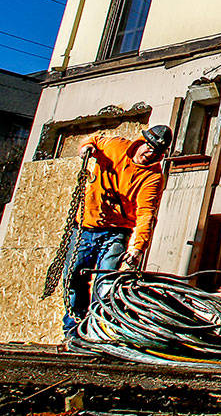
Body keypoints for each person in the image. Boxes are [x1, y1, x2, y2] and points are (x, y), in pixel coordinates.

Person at [62, 124, 171, 339]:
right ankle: (73, 330)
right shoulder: (114, 147)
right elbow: (93, 139)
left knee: (106, 282)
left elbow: (146, 214)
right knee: (73, 278)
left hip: (117, 232)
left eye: (156, 152)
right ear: (141, 142)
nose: (149, 154)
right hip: (86, 226)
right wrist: (86, 148)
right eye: (148, 148)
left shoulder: (153, 177)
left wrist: (138, 248)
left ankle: (96, 330)